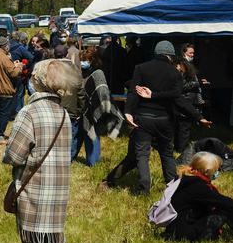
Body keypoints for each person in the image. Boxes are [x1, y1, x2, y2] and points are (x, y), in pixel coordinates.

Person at [4, 60, 80, 243]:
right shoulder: (64, 114)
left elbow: (15, 155)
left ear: (37, 80)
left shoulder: (29, 112)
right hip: (58, 192)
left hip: (33, 191)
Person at [103, 41, 210, 194]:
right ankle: (172, 187)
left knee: (141, 155)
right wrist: (198, 116)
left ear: (156, 53)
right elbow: (178, 99)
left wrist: (128, 112)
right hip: (164, 120)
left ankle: (143, 187)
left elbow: (133, 92)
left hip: (143, 118)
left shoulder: (141, 68)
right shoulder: (175, 73)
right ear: (170, 55)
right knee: (166, 154)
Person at [164, 152, 233, 242]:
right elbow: (226, 202)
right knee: (226, 211)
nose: (218, 172)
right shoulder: (198, 187)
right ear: (207, 171)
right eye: (217, 170)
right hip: (184, 234)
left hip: (175, 229)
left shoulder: (187, 179)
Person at [73, 47, 123, 166]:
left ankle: (93, 161)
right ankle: (71, 157)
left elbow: (102, 91)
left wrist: (101, 107)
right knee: (77, 135)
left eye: (86, 60)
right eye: (82, 60)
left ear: (92, 60)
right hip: (81, 108)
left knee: (92, 134)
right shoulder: (79, 72)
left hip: (92, 108)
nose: (83, 62)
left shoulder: (98, 73)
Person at [0, 36, 22, 144]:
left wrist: (12, 64)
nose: (9, 46)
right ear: (4, 46)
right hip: (4, 89)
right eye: (8, 44)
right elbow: (14, 73)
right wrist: (19, 66)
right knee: (4, 114)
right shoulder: (3, 57)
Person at [174, 44, 204, 163]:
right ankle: (181, 151)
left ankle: (179, 148)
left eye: (193, 53)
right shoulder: (182, 65)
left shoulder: (188, 64)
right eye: (190, 53)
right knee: (183, 128)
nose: (192, 55)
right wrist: (198, 83)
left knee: (183, 127)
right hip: (185, 101)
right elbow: (182, 86)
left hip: (187, 100)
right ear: (184, 52)